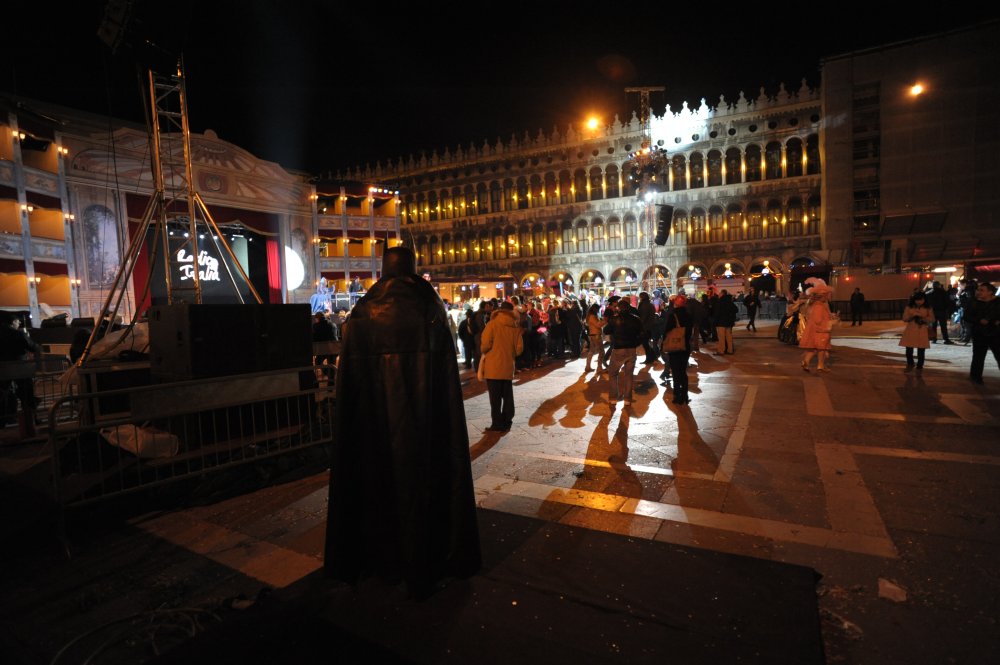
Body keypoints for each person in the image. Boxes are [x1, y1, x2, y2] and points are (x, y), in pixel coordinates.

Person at [324, 247, 480, 598]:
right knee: (427, 485)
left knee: (379, 485)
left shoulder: (364, 310)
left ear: (383, 268)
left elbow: (351, 382)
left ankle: (382, 561)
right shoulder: (430, 307)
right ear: (411, 267)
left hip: (376, 424)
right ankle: (429, 560)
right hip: (426, 421)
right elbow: (445, 374)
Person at [479, 301, 524, 432]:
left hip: (493, 366)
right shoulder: (515, 327)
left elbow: (485, 344)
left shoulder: (492, 324)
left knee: (495, 398)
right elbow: (519, 348)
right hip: (508, 365)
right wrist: (511, 353)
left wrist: (485, 350)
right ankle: (507, 420)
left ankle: (497, 423)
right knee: (507, 395)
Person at [0, 312, 39, 427]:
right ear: (12, 322)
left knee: (3, 393)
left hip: (2, 368)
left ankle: (4, 420)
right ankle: (30, 420)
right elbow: (33, 347)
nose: (19, 322)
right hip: (19, 368)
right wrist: (27, 336)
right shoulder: (18, 334)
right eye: (17, 321)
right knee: (26, 394)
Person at [605, 298, 643, 406]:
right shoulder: (635, 319)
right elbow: (642, 333)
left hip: (618, 349)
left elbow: (606, 330)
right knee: (629, 375)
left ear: (619, 308)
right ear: (629, 307)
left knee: (613, 374)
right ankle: (627, 399)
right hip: (631, 349)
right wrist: (636, 343)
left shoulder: (614, 319)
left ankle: (613, 398)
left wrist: (613, 324)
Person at [964, 281, 1000, 385]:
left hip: (996, 333)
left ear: (990, 292)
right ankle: (976, 377)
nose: (978, 292)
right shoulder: (974, 302)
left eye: (982, 290)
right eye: (978, 290)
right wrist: (978, 320)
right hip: (979, 333)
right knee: (978, 357)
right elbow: (966, 316)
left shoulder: (998, 302)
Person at [662, 294, 694, 404]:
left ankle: (677, 396)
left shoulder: (673, 315)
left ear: (676, 303)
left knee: (675, 372)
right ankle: (684, 395)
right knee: (683, 371)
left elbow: (666, 330)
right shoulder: (689, 315)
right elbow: (690, 332)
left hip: (675, 346)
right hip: (685, 346)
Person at [799, 278, 833, 372]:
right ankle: (820, 366)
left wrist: (830, 317)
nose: (827, 297)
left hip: (816, 331)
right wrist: (828, 324)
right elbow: (818, 320)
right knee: (821, 349)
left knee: (813, 349)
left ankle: (805, 362)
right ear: (822, 296)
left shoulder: (817, 305)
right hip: (820, 331)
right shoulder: (819, 306)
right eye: (826, 295)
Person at [899, 292, 932, 373]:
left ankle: (920, 364)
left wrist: (923, 319)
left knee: (921, 348)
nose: (919, 302)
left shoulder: (928, 307)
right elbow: (904, 318)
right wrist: (912, 316)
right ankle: (910, 363)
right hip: (911, 329)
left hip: (922, 329)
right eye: (917, 300)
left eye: (921, 300)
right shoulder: (909, 307)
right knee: (909, 348)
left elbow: (932, 318)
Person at [311, 312, 336, 380]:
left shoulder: (316, 326)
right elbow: (335, 337)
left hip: (321, 348)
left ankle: (326, 373)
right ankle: (331, 383)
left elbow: (314, 338)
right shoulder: (332, 324)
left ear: (317, 318)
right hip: (332, 348)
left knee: (318, 362)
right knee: (332, 365)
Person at [584, 303, 606, 373]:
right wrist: (605, 321)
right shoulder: (592, 316)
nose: (598, 310)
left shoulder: (590, 316)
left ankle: (588, 366)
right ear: (595, 309)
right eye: (598, 309)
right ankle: (599, 368)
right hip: (596, 335)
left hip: (592, 334)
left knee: (592, 350)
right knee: (602, 352)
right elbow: (598, 325)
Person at [715, 289, 738, 354]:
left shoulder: (720, 302)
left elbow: (717, 313)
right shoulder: (730, 301)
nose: (718, 294)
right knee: (729, 337)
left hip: (721, 322)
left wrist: (715, 322)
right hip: (729, 323)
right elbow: (736, 310)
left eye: (720, 293)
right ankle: (730, 350)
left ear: (722, 294)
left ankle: (721, 350)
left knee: (721, 338)